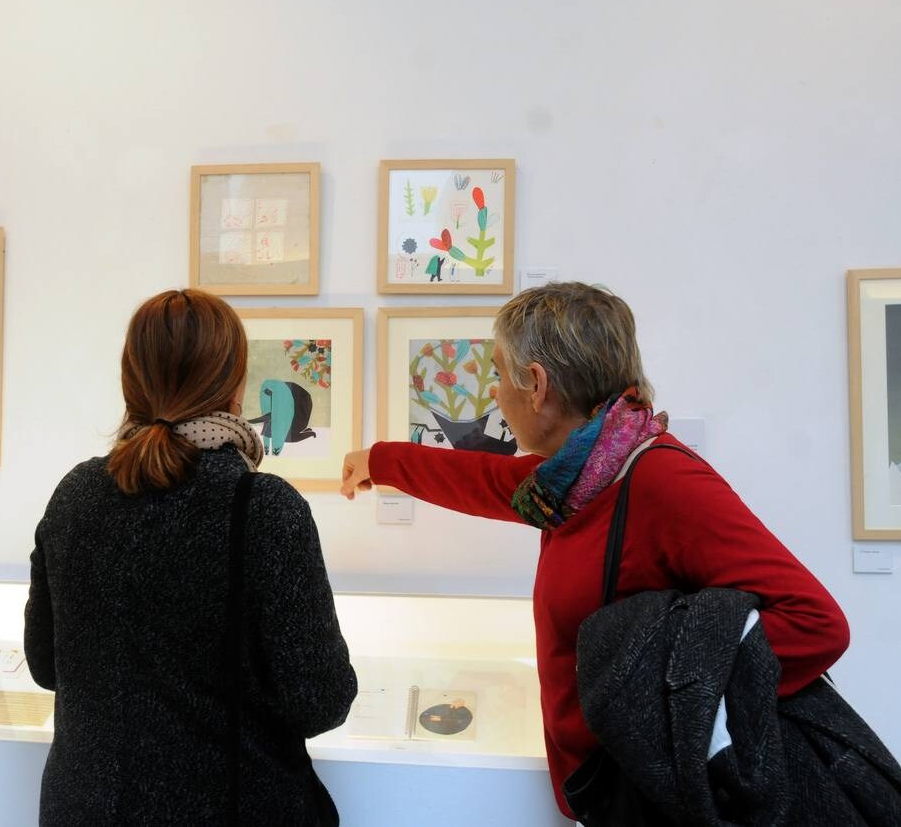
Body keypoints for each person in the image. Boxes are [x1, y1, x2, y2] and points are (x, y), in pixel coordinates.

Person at [338, 281, 850, 822]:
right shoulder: (577, 480)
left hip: (649, 793)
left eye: (496, 374)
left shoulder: (661, 480)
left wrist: (664, 699)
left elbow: (817, 623)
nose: (493, 394)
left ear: (535, 386)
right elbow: (491, 481)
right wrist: (380, 461)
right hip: (610, 787)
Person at [25, 289, 357, 826]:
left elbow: (45, 666)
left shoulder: (76, 495)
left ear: (130, 377)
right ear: (234, 383)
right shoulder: (264, 508)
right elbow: (320, 701)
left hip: (85, 808)